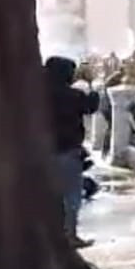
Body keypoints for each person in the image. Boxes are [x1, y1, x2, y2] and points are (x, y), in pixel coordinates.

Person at [45, 56, 100, 248]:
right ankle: (69, 236)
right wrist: (92, 84)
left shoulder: (35, 96)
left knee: (49, 196)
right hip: (67, 151)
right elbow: (91, 106)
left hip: (42, 153)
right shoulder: (73, 96)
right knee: (71, 197)